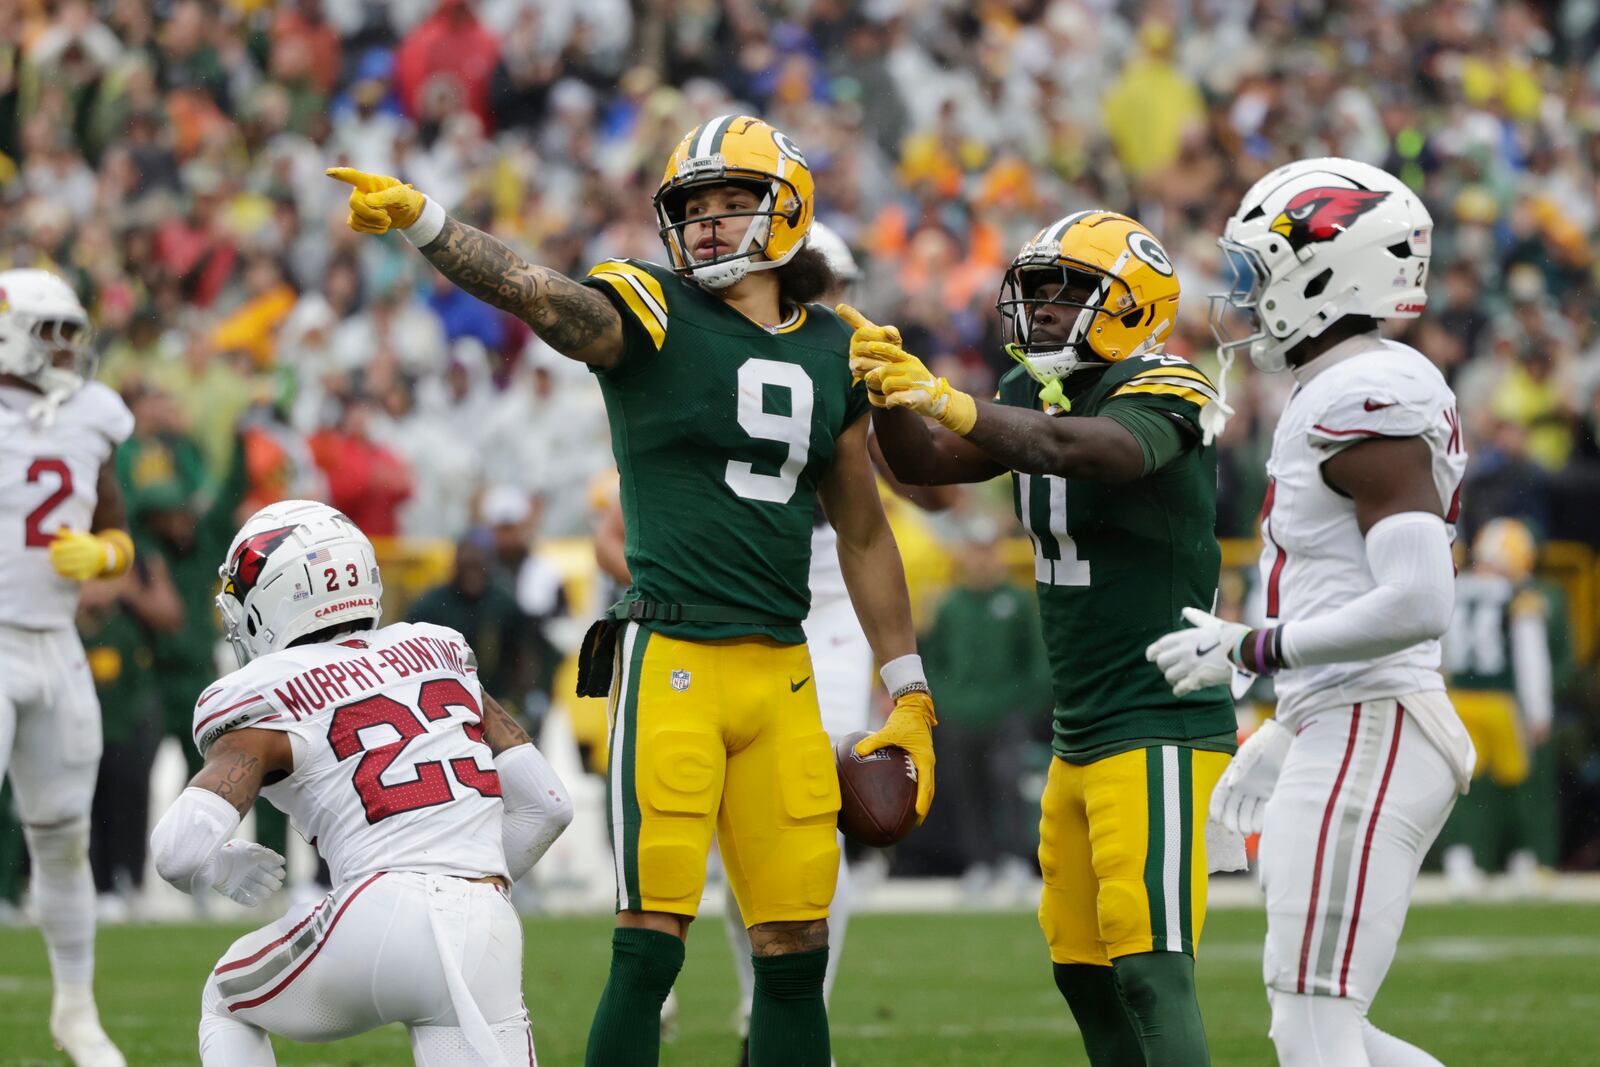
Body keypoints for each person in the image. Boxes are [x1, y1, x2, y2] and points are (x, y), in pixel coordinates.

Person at [329, 115, 935, 1067]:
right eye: (693, 208)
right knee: (650, 938)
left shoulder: (834, 347)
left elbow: (864, 529)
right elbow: (549, 301)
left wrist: (909, 688)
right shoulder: (652, 307)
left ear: (787, 215)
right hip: (674, 658)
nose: (706, 225)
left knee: (793, 949)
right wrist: (432, 224)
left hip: (784, 667)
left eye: (733, 203)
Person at [849, 211, 1235, 1065]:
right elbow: (922, 465)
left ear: (1135, 306)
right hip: (1082, 728)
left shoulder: (1173, 384)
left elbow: (1091, 451)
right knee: (1081, 965)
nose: (1046, 311)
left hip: (1160, 721)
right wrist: (889, 393)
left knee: (1149, 966)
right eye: (1035, 292)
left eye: (1070, 294)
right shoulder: (1033, 392)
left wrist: (946, 397)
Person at [1146, 157, 1475, 1067]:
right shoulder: (1345, 384)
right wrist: (1289, 729)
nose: (1245, 297)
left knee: (1313, 1024)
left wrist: (1254, 645)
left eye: (1262, 271)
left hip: (1373, 719)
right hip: (1350, 716)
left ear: (1332, 271)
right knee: (1330, 1027)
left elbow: (1418, 599)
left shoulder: (1363, 392)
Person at [148, 498, 573, 1065]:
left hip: (377, 908)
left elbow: (177, 853)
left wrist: (221, 864)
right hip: (488, 919)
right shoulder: (436, 651)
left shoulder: (266, 693)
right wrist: (461, 879)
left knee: (227, 998)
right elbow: (548, 806)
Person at [0, 267, 135, 1067]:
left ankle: (77, 1011)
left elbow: (118, 528)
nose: (65, 349)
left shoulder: (91, 411)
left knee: (62, 837)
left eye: (70, 332)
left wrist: (106, 552)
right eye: (51, 330)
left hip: (54, 641)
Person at [1439, 517, 1565, 892]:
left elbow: (1440, 649)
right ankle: (1523, 861)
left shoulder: (1456, 588)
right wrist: (1539, 710)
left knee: (1466, 785)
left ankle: (1461, 861)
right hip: (1500, 702)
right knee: (1517, 784)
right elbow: (1531, 661)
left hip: (1459, 699)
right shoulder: (1520, 597)